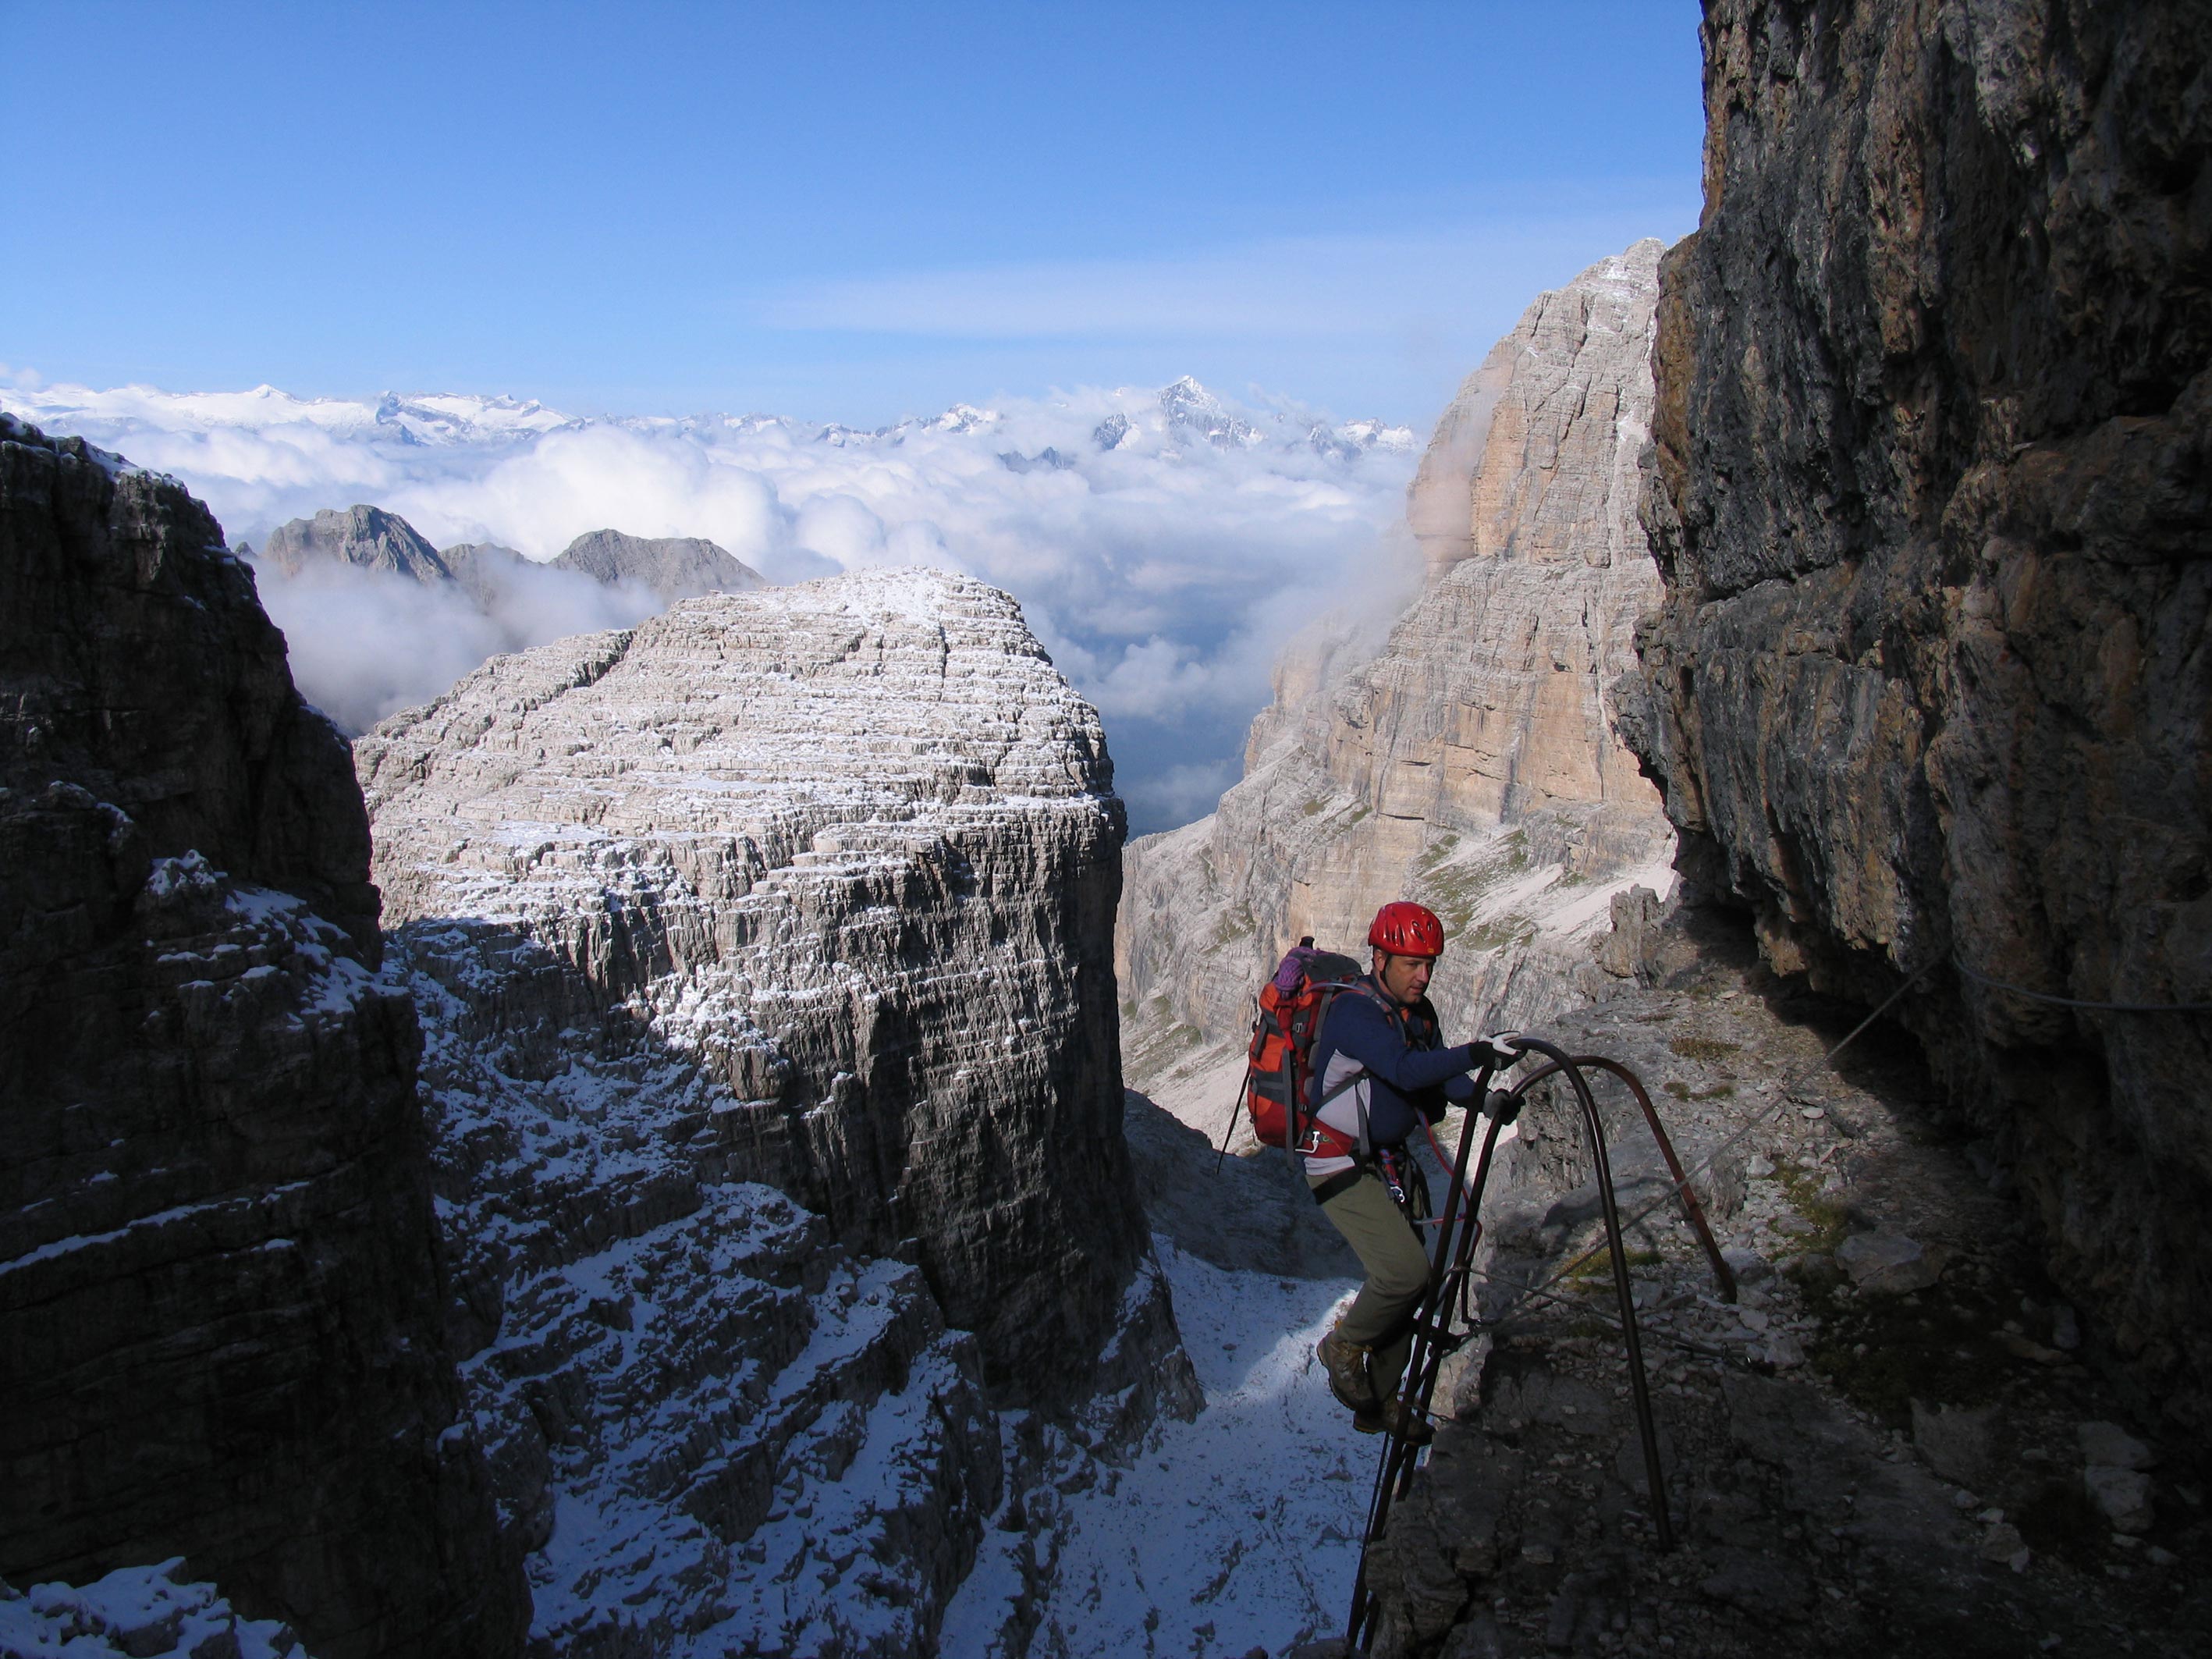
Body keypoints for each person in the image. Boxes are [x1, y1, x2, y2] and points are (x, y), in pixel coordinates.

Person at [1308, 901, 1520, 1441]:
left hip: (1386, 1160)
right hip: (1336, 1159)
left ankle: (1375, 1401)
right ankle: (1342, 1346)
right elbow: (1404, 1069)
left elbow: (1432, 1076)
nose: (1423, 976)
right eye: (1410, 964)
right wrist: (1476, 1052)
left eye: (1429, 964)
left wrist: (1483, 1101)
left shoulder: (1416, 1013)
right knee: (1404, 1273)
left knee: (1414, 1285)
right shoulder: (1356, 1013)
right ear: (1378, 958)